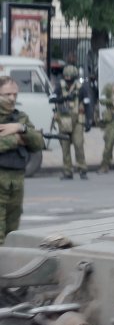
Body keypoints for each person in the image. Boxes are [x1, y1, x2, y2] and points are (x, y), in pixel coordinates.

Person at [0, 76, 44, 244]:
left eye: (15, 95)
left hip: (16, 180)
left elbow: (38, 142)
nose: (12, 98)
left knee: (12, 233)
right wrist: (17, 140)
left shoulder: (20, 118)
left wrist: (20, 128)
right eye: (7, 94)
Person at [52, 65, 90, 180]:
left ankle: (82, 169)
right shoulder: (59, 86)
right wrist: (63, 99)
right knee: (65, 147)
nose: (68, 79)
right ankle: (67, 171)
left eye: (71, 77)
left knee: (78, 144)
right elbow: (52, 98)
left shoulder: (81, 88)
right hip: (63, 121)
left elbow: (87, 104)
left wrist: (89, 120)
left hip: (77, 120)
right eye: (66, 77)